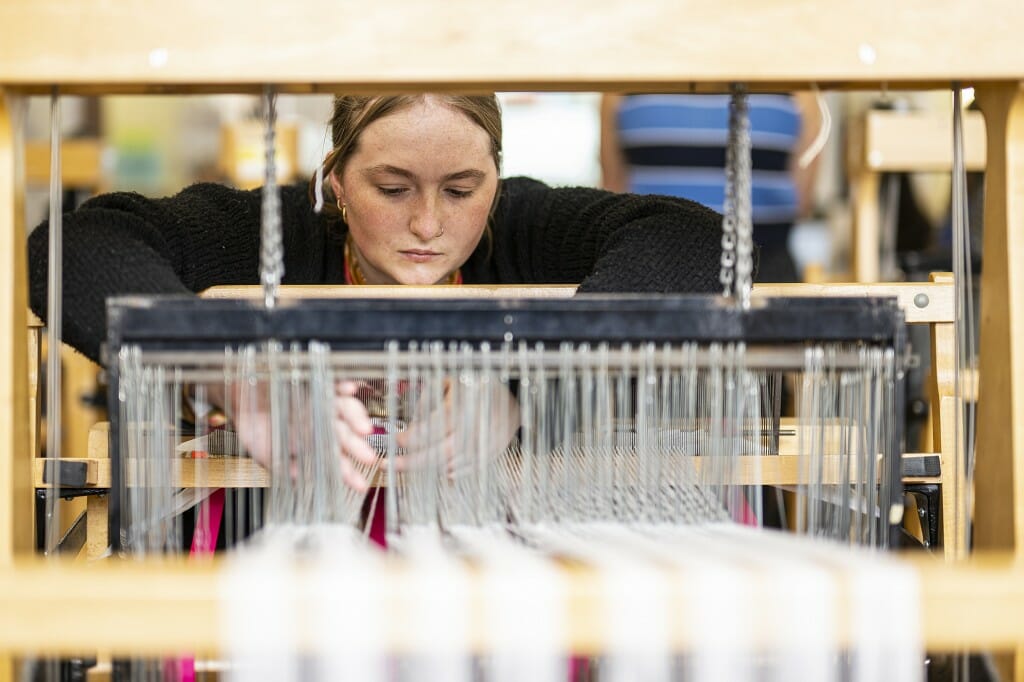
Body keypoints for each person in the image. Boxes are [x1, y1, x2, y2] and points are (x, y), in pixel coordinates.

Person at [28, 93, 726, 489]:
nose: (427, 222)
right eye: (392, 189)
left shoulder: (523, 225)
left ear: (497, 178)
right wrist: (234, 371)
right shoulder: (273, 233)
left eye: (462, 190)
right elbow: (73, 247)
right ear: (335, 178)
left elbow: (697, 242)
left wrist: (526, 381)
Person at [600, 92, 821, 282]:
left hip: (763, 275)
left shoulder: (799, 88)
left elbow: (614, 190)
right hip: (644, 274)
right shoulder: (798, 89)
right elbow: (801, 200)